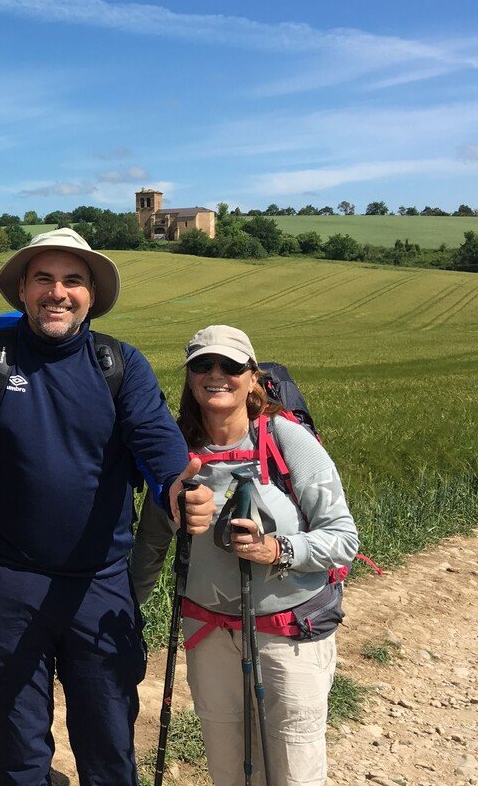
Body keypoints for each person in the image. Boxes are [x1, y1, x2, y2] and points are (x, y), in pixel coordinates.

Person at [0, 228, 214, 786]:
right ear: (22, 289)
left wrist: (178, 487)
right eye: (44, 279)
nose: (58, 292)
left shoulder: (120, 365)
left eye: (73, 281)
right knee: (21, 750)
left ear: (91, 295)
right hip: (4, 581)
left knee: (109, 745)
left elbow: (157, 443)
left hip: (98, 583)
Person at [130, 325, 359, 786]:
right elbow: (153, 543)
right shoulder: (173, 450)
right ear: (190, 376)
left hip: (289, 636)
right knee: (228, 769)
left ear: (252, 378)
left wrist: (277, 549)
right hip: (208, 635)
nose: (217, 374)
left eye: (231, 366)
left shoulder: (286, 439)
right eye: (203, 364)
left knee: (294, 773)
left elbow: (344, 538)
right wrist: (123, 610)